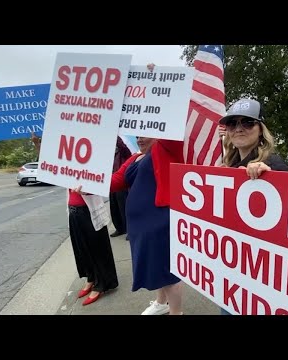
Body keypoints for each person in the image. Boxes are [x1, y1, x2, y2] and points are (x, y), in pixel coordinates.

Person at [73, 63, 185, 315]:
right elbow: (115, 181)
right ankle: (161, 303)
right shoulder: (135, 157)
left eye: (148, 132)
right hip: (140, 225)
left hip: (160, 221)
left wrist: (155, 86)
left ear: (159, 133)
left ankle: (177, 312)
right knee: (155, 268)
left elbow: (169, 124)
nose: (142, 137)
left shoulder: (167, 149)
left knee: (167, 270)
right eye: (138, 133)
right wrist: (86, 184)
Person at [217, 98, 288, 314]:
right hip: (234, 265)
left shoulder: (273, 164)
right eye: (233, 124)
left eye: (248, 123)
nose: (239, 129)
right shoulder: (229, 165)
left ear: (261, 130)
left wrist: (272, 177)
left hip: (261, 272)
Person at [31, 132, 119, 306]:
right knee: (82, 250)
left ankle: (102, 284)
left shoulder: (94, 160)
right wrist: (38, 146)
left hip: (90, 213)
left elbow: (103, 183)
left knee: (97, 250)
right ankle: (91, 278)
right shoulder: (68, 164)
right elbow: (51, 164)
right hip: (74, 213)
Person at [109, 136, 132, 239]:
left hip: (120, 183)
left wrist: (115, 134)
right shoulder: (110, 155)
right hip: (111, 181)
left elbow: (122, 145)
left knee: (123, 207)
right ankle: (119, 228)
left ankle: (129, 230)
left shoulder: (123, 152)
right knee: (114, 208)